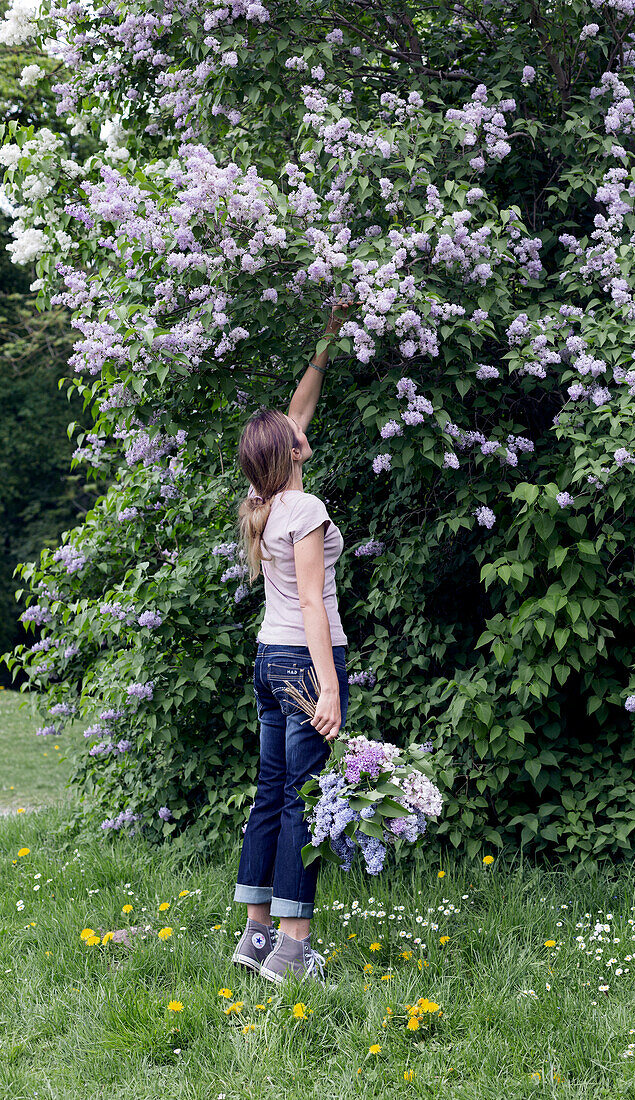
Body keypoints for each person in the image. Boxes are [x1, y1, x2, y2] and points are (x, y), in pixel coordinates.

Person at [231, 301, 351, 987]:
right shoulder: (302, 508)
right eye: (292, 432)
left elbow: (297, 406)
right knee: (303, 796)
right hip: (306, 659)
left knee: (271, 793)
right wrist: (329, 689)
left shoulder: (263, 498)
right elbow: (312, 600)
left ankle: (255, 936)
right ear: (290, 453)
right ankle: (292, 946)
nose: (299, 427)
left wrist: (327, 334)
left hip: (267, 660)